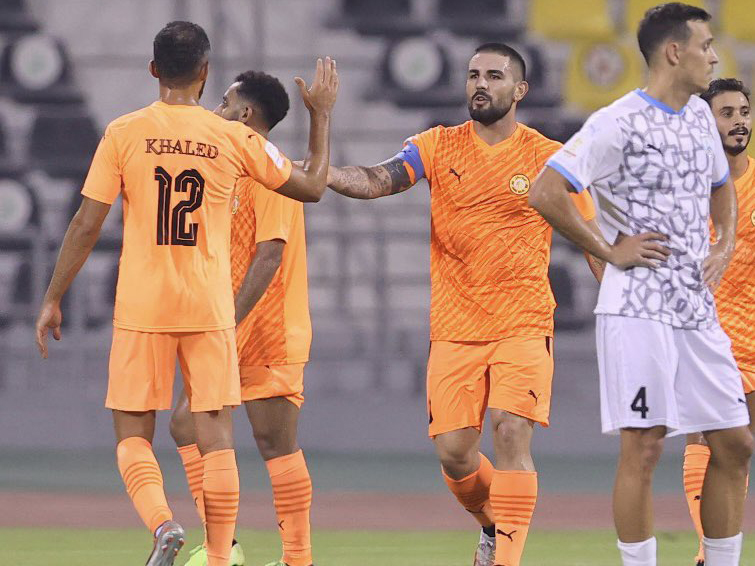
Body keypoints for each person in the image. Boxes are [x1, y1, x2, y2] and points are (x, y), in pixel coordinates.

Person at [34, 21, 337, 566]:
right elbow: (313, 187)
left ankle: (164, 524)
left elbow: (85, 223)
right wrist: (321, 116)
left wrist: (54, 296)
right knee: (214, 431)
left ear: (153, 70)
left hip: (143, 305)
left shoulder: (123, 132)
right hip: (210, 307)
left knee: (133, 431)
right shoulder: (234, 139)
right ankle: (221, 556)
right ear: (203, 72)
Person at [327, 42, 599, 566]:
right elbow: (381, 179)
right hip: (455, 327)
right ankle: (492, 528)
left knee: (511, 429)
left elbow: (592, 238)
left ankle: (507, 561)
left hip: (523, 319)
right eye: (473, 74)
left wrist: (620, 305)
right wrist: (323, 172)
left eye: (494, 76)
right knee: (455, 456)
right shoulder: (436, 145)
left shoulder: (549, 157)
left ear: (519, 90)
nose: (480, 84)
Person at [528, 4, 753, 565]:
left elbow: (721, 186)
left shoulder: (701, 118)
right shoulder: (617, 122)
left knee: (734, 442)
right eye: (705, 45)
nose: (714, 55)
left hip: (695, 308)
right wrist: (608, 249)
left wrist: (723, 244)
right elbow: (546, 190)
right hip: (637, 309)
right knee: (645, 444)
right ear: (674, 52)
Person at [169, 70, 313, 566]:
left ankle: (295, 558)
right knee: (187, 426)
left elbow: (269, 255)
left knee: (274, 441)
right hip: (230, 322)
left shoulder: (271, 167)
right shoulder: (228, 168)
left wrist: (226, 325)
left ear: (245, 115)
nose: (216, 110)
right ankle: (222, 549)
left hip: (269, 326)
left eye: (225, 102)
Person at [682, 77, 754, 566]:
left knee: (738, 453)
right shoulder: (686, 188)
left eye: (744, 112)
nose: (739, 122)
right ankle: (711, 552)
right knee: (709, 442)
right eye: (726, 113)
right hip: (705, 335)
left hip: (751, 335)